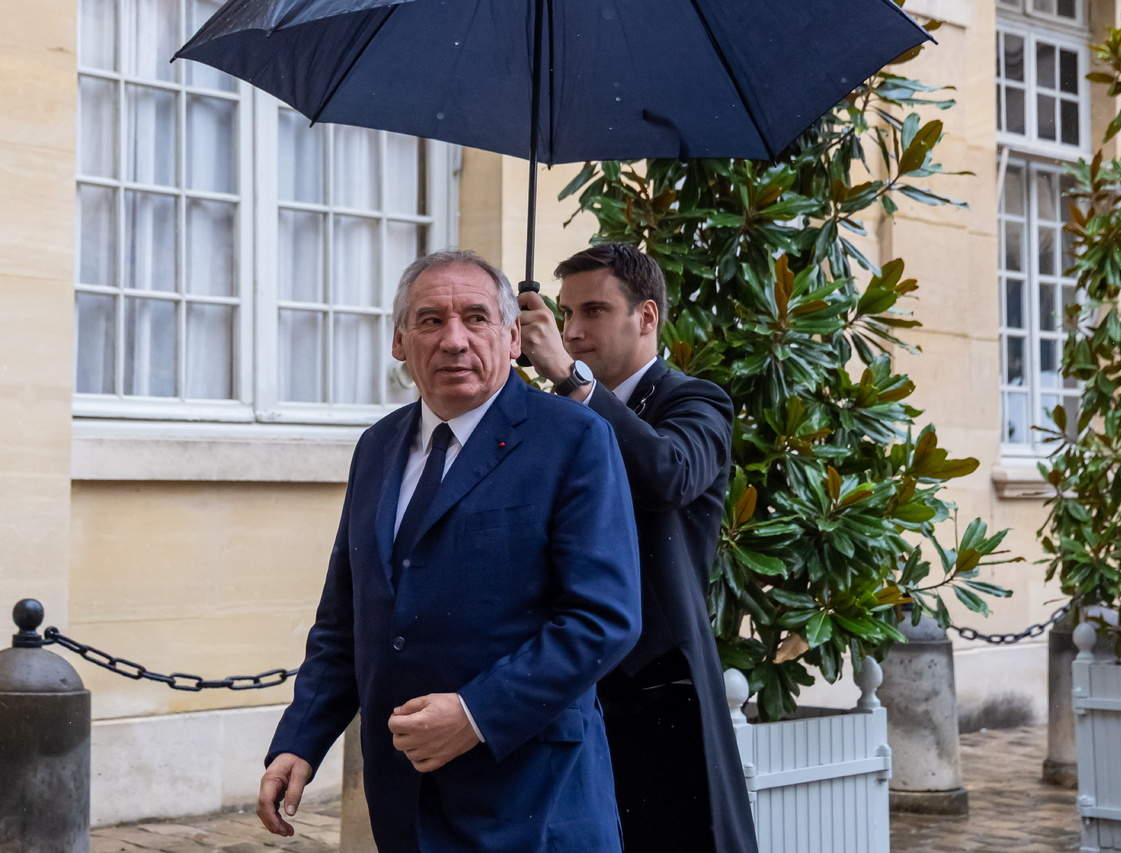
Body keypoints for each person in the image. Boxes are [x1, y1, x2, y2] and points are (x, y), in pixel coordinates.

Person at [257, 249, 642, 853]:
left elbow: (604, 618)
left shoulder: (574, 438)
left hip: (531, 800)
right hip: (403, 801)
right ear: (399, 341)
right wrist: (299, 741)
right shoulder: (376, 447)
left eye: (477, 318)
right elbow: (346, 618)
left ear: (513, 339)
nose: (454, 340)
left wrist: (476, 714)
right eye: (431, 320)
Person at [518, 243, 759, 852]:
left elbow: (667, 474)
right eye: (564, 314)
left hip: (661, 691)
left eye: (593, 311)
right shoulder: (552, 414)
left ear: (646, 316)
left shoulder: (696, 401)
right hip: (571, 683)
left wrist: (572, 381)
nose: (572, 331)